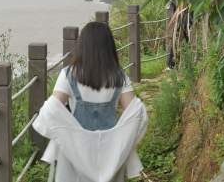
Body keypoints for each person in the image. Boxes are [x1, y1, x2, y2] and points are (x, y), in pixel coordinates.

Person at [33, 21, 148, 182]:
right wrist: (124, 140)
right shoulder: (120, 77)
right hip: (110, 152)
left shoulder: (68, 74)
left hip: (75, 149)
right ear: (109, 47)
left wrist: (64, 132)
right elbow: (136, 112)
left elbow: (52, 108)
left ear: (82, 46)